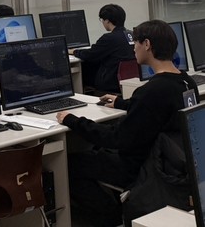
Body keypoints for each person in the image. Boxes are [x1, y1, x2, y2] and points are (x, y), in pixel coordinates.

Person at [55, 20, 198, 227]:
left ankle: (110, 216)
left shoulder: (151, 91)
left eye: (136, 43)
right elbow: (159, 111)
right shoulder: (185, 82)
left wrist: (73, 120)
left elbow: (118, 138)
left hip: (141, 166)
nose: (133, 48)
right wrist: (122, 103)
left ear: (147, 44)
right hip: (172, 162)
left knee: (71, 165)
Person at [69, 4, 134, 94]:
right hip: (128, 80)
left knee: (85, 67)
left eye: (102, 20)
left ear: (107, 21)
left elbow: (90, 54)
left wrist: (73, 51)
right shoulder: (132, 34)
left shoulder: (109, 38)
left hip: (111, 83)